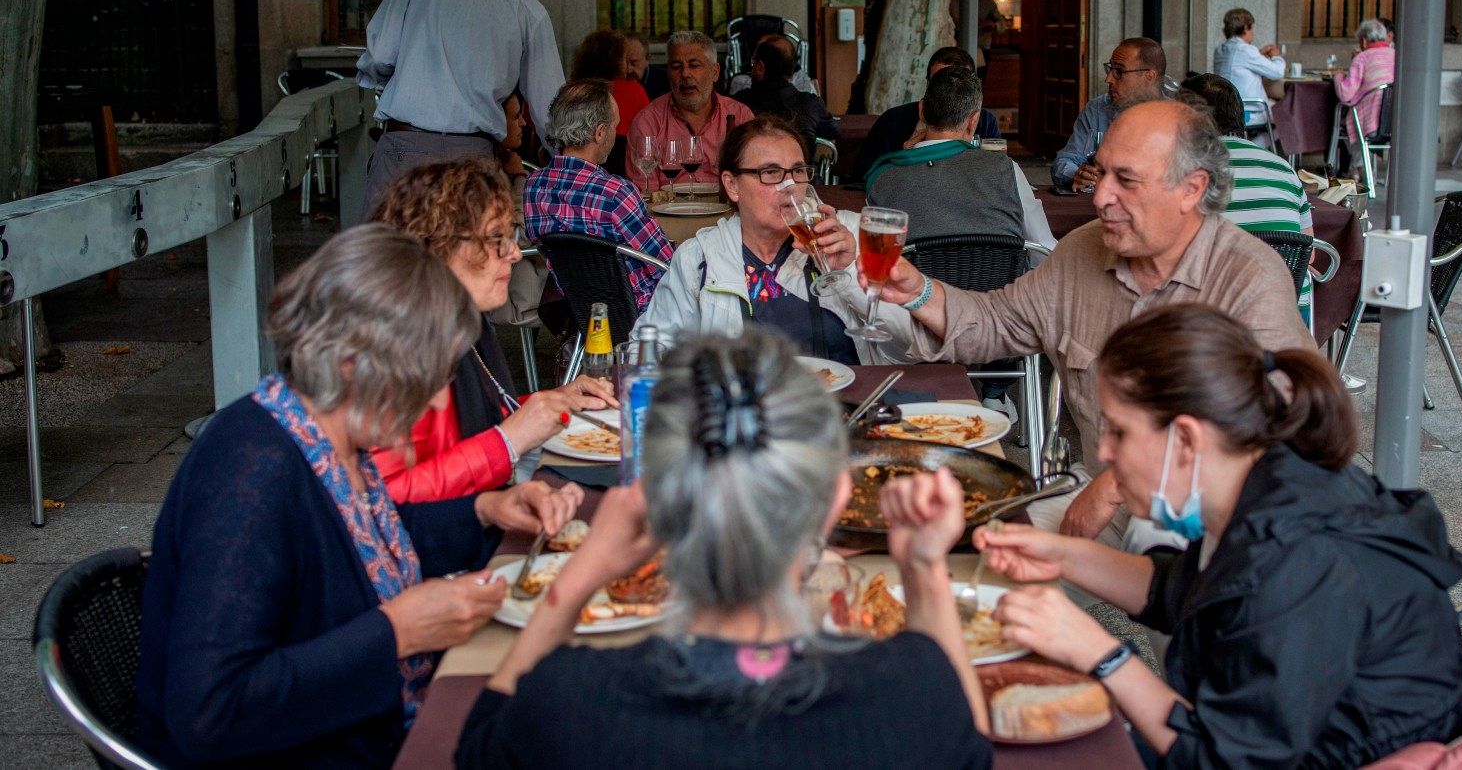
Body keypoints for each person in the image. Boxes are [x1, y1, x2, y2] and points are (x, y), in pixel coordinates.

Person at [134, 225, 585, 768]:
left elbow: (362, 544)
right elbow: (211, 711)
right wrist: (396, 632)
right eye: (420, 380)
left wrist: (483, 510)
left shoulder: (327, 436)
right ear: (352, 361)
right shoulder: (250, 471)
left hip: (367, 724)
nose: (434, 404)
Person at [458, 330, 992, 769]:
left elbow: (479, 746)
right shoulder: (911, 697)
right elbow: (969, 744)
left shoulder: (571, 701)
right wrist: (923, 568)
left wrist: (579, 575)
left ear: (656, 499)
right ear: (836, 499)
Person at [978, 305, 1462, 767]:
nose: (1104, 452)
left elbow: (1223, 757)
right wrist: (1061, 554)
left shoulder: (1296, 561)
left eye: (1121, 432)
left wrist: (1098, 653)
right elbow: (1184, 589)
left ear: (1188, 440)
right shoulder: (1264, 480)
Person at [870, 100, 1313, 543]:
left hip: (1219, 519)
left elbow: (1285, 428)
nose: (1101, 196)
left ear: (1192, 189)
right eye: (1101, 172)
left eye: (1127, 180)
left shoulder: (1248, 275)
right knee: (981, 563)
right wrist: (919, 292)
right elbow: (996, 320)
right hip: (1104, 496)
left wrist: (1119, 481)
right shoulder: (1084, 251)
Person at [369, 159, 616, 502]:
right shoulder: (395, 348)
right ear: (439, 246)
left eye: (511, 235)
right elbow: (384, 499)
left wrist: (552, 402)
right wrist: (508, 441)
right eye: (496, 238)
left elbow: (483, 418)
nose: (514, 253)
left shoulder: (462, 322)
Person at [642, 115, 913, 364]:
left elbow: (908, 349)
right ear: (732, 185)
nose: (790, 186)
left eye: (797, 171)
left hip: (846, 407)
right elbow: (647, 351)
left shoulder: (850, 235)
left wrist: (849, 272)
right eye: (770, 173)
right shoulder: (700, 258)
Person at [357, 0, 568, 215]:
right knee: (462, 261)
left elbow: (379, 54)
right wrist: (570, 169)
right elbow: (553, 113)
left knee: (388, 259)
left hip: (402, 146)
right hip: (471, 161)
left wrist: (409, 81)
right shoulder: (529, 10)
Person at [525, 79, 675, 313]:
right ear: (600, 132)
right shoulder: (615, 193)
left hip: (580, 310)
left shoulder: (534, 186)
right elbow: (666, 264)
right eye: (615, 126)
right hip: (642, 313)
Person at [866, 65, 1052, 250]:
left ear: (922, 110)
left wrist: (907, 155)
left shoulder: (884, 176)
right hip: (998, 279)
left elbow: (877, 254)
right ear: (974, 121)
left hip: (916, 279)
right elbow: (1044, 250)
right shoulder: (1007, 169)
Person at [1179, 73, 1314, 326]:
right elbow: (1310, 254)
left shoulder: (1184, 172)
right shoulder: (1284, 169)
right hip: (1285, 321)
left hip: (1208, 323)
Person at [625, 31, 755, 191]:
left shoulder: (741, 116)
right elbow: (644, 192)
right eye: (676, 67)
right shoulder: (648, 122)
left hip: (729, 212)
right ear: (668, 73)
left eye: (694, 65)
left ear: (715, 72)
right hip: (669, 213)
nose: (685, 74)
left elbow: (753, 181)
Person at [853, 46, 1002, 183]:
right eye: (939, 83)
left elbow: (998, 176)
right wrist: (903, 158)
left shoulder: (985, 122)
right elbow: (862, 177)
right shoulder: (893, 120)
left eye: (959, 87)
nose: (948, 93)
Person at [1051, 37, 1168, 192]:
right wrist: (1076, 174)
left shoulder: (1178, 118)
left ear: (1149, 76)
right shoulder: (1098, 109)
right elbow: (1065, 160)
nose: (1108, 79)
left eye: (1119, 71)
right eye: (1110, 69)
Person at [732, 35, 840, 149]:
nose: (752, 68)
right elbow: (833, 132)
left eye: (753, 62)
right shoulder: (811, 104)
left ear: (760, 67)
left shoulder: (738, 104)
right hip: (799, 166)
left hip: (752, 166)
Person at [1211, 7, 1284, 131]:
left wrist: (1259, 55)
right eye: (1252, 28)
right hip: (1248, 111)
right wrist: (1276, 57)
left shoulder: (1220, 50)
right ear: (1245, 28)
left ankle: (1251, 145)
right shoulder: (1246, 50)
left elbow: (1237, 65)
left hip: (1224, 110)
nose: (1253, 33)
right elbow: (1277, 72)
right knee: (1287, 116)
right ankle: (1256, 146)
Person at [1333, 17, 1396, 158]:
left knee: (1352, 120)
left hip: (1371, 122)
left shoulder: (1362, 58)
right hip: (1394, 121)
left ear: (1364, 40)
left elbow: (1345, 94)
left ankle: (1358, 168)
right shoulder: (1396, 55)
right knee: (1359, 119)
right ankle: (1359, 169)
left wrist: (1338, 77)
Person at [571, 29, 649, 138]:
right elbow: (648, 134)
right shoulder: (634, 91)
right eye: (625, 59)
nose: (628, 67)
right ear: (616, 60)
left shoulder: (572, 93)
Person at [622, 31, 670, 101]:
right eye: (624, 63)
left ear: (647, 59)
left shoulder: (664, 80)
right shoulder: (613, 80)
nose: (628, 70)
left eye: (634, 63)